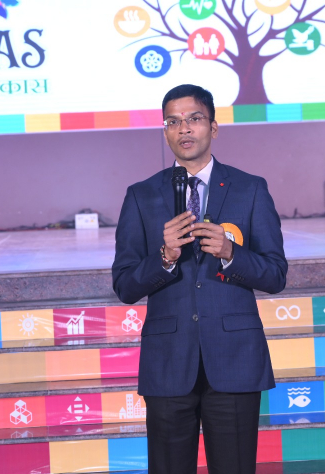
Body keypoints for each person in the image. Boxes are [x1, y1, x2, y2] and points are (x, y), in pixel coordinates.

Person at [112, 84, 288, 474]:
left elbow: (276, 274)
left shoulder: (250, 189)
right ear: (165, 132)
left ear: (213, 127)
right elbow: (124, 285)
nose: (184, 129)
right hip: (168, 363)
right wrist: (164, 257)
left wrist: (230, 253)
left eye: (194, 119)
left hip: (235, 360)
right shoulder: (142, 196)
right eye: (173, 122)